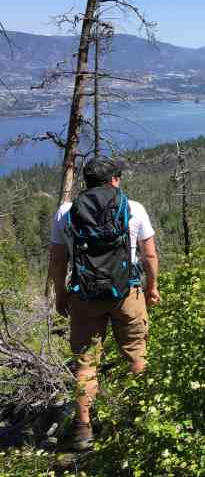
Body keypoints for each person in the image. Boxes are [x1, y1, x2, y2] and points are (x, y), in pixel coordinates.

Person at [48, 156, 160, 451]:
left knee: (85, 364)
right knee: (137, 356)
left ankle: (83, 430)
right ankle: (144, 420)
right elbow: (149, 256)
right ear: (115, 180)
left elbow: (58, 260)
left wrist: (61, 294)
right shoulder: (133, 209)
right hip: (128, 293)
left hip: (84, 296)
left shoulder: (65, 212)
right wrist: (152, 288)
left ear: (86, 182)